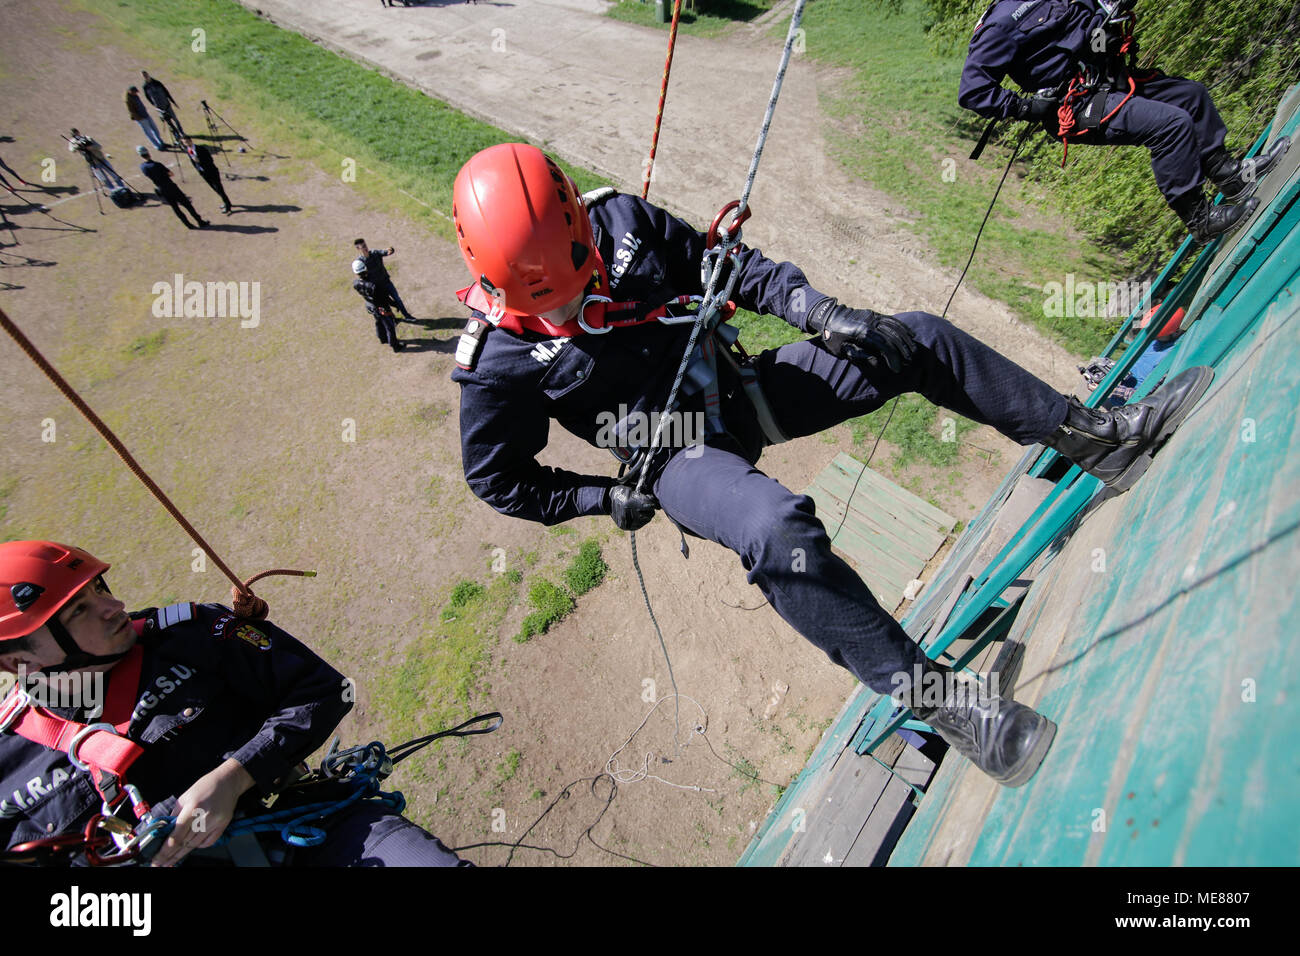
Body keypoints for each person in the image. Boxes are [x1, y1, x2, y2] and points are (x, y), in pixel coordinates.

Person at [448, 143, 1214, 788]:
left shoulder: (621, 222)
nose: (572, 302)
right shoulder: (496, 362)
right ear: (498, 282)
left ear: (578, 216)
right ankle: (947, 704)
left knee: (913, 337)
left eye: (581, 278)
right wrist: (599, 499)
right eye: (550, 302)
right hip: (677, 453)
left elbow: (727, 268)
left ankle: (1100, 439)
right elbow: (498, 478)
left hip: (739, 391)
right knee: (776, 528)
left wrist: (817, 311)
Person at [0, 540, 469, 867]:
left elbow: (322, 691)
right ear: (19, 659)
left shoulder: (191, 635)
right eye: (78, 610)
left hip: (309, 833)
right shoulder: (10, 758)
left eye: (98, 589)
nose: (115, 605)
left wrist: (233, 777)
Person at [958, 0, 1290, 244]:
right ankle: (1199, 219)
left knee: (1191, 95)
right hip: (1080, 105)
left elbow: (1093, 27)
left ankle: (1228, 175)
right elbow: (973, 91)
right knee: (1171, 126)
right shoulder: (1000, 23)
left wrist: (1109, 30)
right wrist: (1029, 108)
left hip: (1107, 81)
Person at [137, 146, 208, 229]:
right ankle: (199, 221)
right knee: (187, 204)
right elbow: (171, 174)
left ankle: (188, 224)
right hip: (170, 186)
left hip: (161, 188)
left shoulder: (142, 167)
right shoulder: (157, 165)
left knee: (175, 207)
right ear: (148, 153)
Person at [354, 238, 415, 320]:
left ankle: (407, 316)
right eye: (363, 246)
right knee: (385, 306)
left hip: (386, 282)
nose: (366, 247)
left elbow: (386, 252)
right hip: (377, 289)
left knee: (397, 299)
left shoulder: (375, 253)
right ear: (358, 249)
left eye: (365, 245)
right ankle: (393, 319)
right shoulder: (360, 262)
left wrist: (390, 250)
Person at [353, 258, 404, 352]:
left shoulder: (356, 284)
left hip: (371, 306)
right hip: (381, 308)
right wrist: (395, 304)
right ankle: (395, 346)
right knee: (389, 326)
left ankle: (382, 338)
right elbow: (385, 298)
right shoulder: (373, 285)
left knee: (378, 322)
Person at [181, 135, 233, 214]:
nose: (187, 144)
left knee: (219, 188)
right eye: (185, 143)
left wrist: (199, 161)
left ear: (190, 140)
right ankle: (227, 202)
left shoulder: (201, 149)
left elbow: (210, 160)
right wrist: (199, 170)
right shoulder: (188, 150)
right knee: (215, 188)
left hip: (211, 171)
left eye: (187, 142)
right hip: (203, 173)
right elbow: (193, 162)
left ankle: (227, 205)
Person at [141, 70, 185, 145]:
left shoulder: (157, 83)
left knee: (175, 119)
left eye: (146, 75)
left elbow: (166, 92)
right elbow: (148, 97)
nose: (146, 77)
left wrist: (173, 102)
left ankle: (182, 133)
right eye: (144, 76)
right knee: (169, 123)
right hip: (160, 108)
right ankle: (176, 136)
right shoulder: (145, 87)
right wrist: (155, 105)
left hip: (167, 105)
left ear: (148, 74)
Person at [126, 86, 165, 150]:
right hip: (141, 118)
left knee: (154, 128)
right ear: (130, 92)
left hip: (146, 115)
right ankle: (157, 146)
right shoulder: (128, 100)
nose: (136, 93)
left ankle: (161, 142)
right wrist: (139, 118)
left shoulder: (135, 96)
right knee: (148, 132)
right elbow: (132, 111)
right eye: (135, 92)